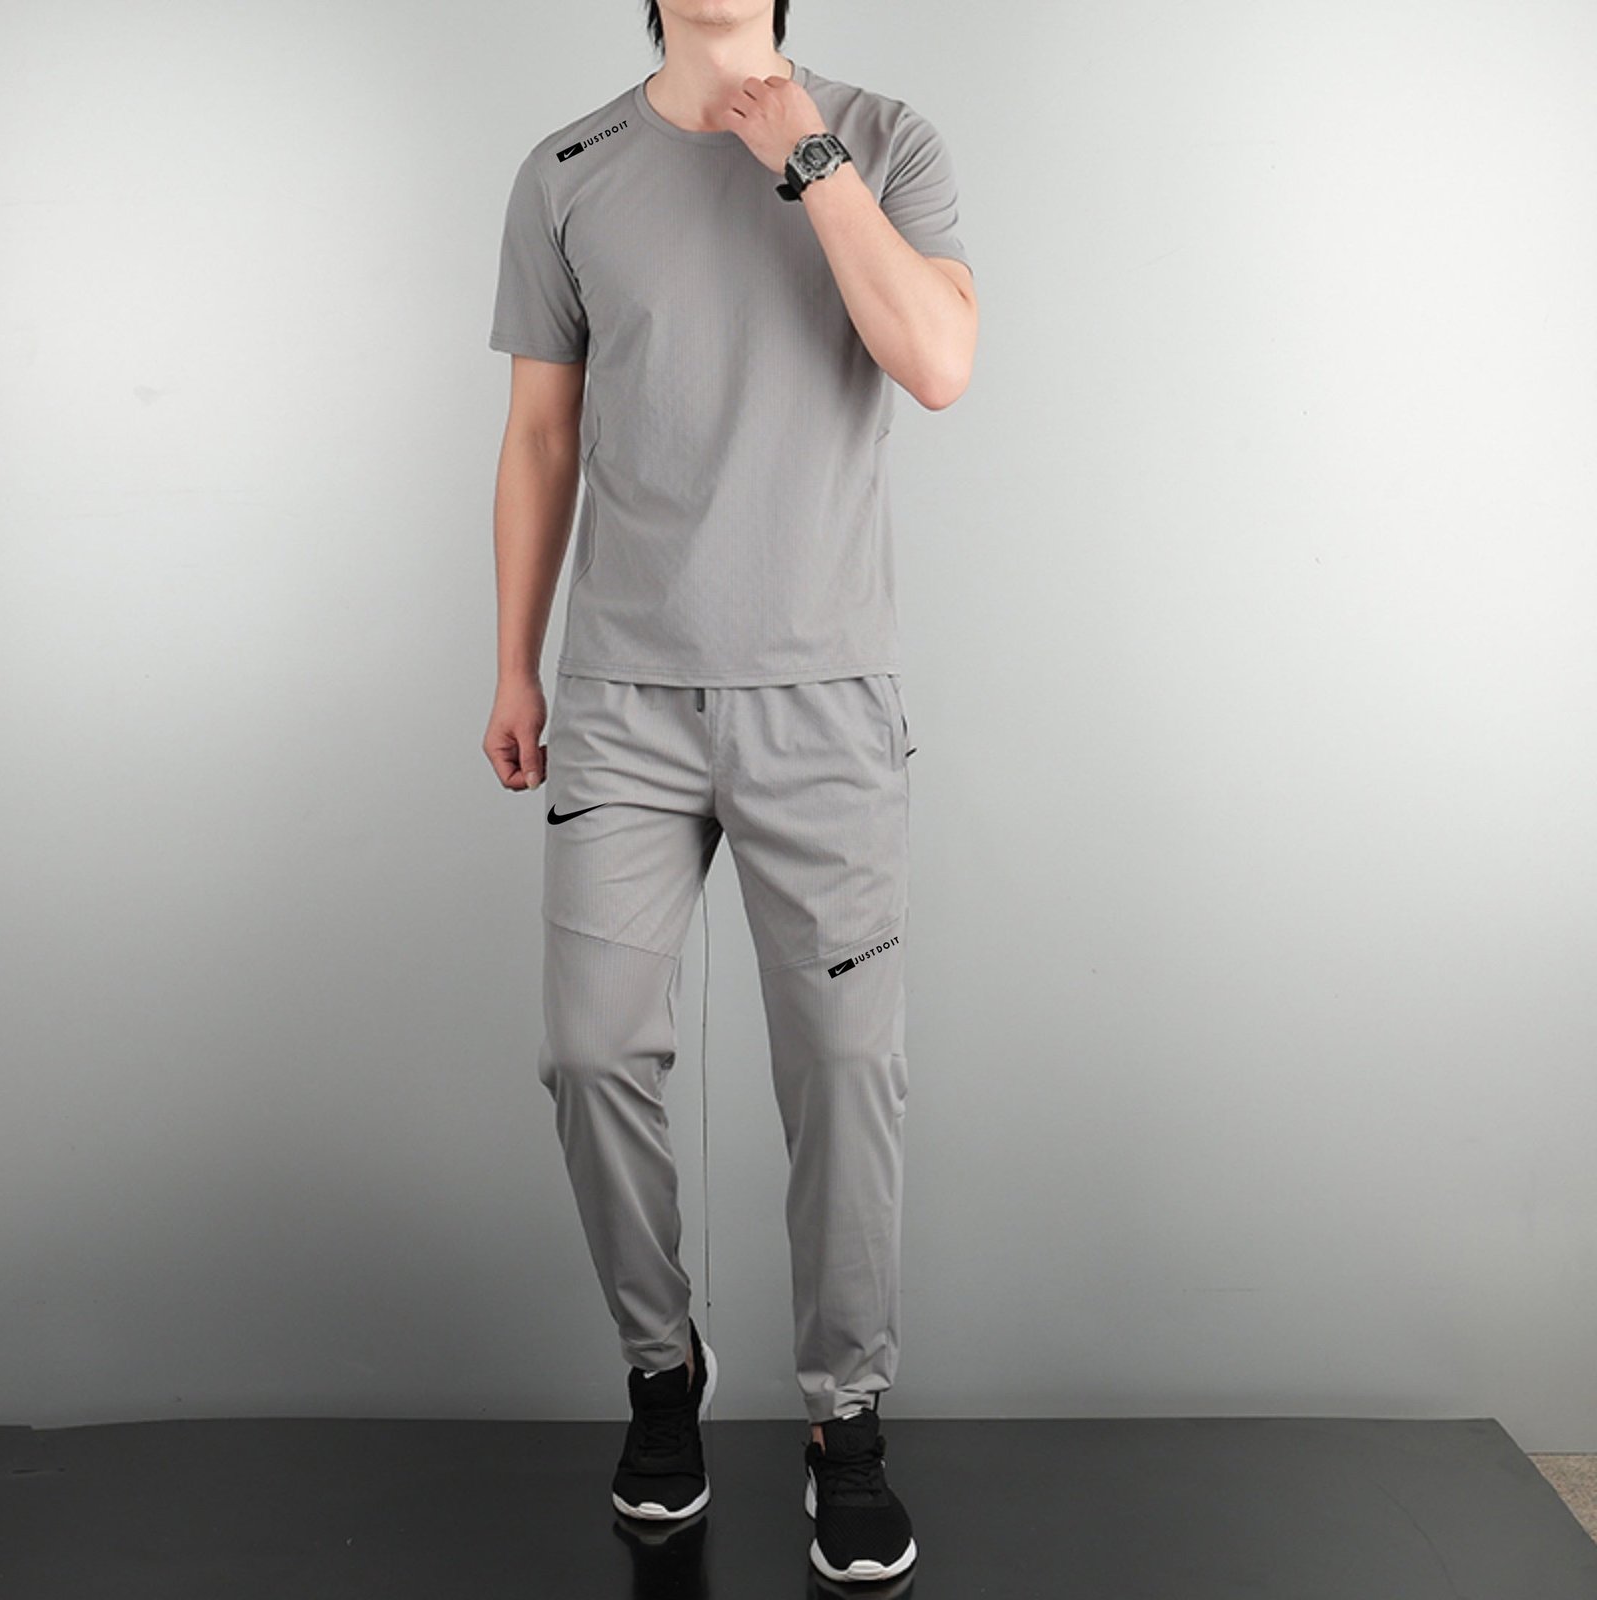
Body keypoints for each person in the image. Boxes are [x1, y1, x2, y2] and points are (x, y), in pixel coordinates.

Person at [483, 0, 976, 1582]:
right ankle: (662, 1370)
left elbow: (939, 362)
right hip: (623, 698)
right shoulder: (568, 169)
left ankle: (848, 1423)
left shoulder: (885, 138)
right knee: (588, 1052)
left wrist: (805, 156)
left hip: (823, 697)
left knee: (846, 1068)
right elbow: (541, 437)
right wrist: (515, 667)